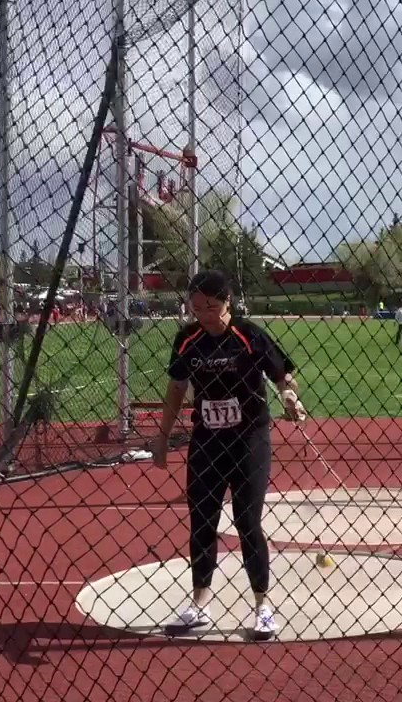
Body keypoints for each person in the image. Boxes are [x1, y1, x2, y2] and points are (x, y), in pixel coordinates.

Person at [152, 270, 306, 641]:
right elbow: (176, 387)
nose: (205, 315)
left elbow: (283, 375)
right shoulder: (188, 339)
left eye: (212, 307)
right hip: (207, 441)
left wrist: (289, 397)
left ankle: (263, 606)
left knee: (247, 521)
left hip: (249, 439)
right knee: (202, 521)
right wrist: (163, 436)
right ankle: (200, 603)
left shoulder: (248, 335)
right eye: (197, 308)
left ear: (228, 303)